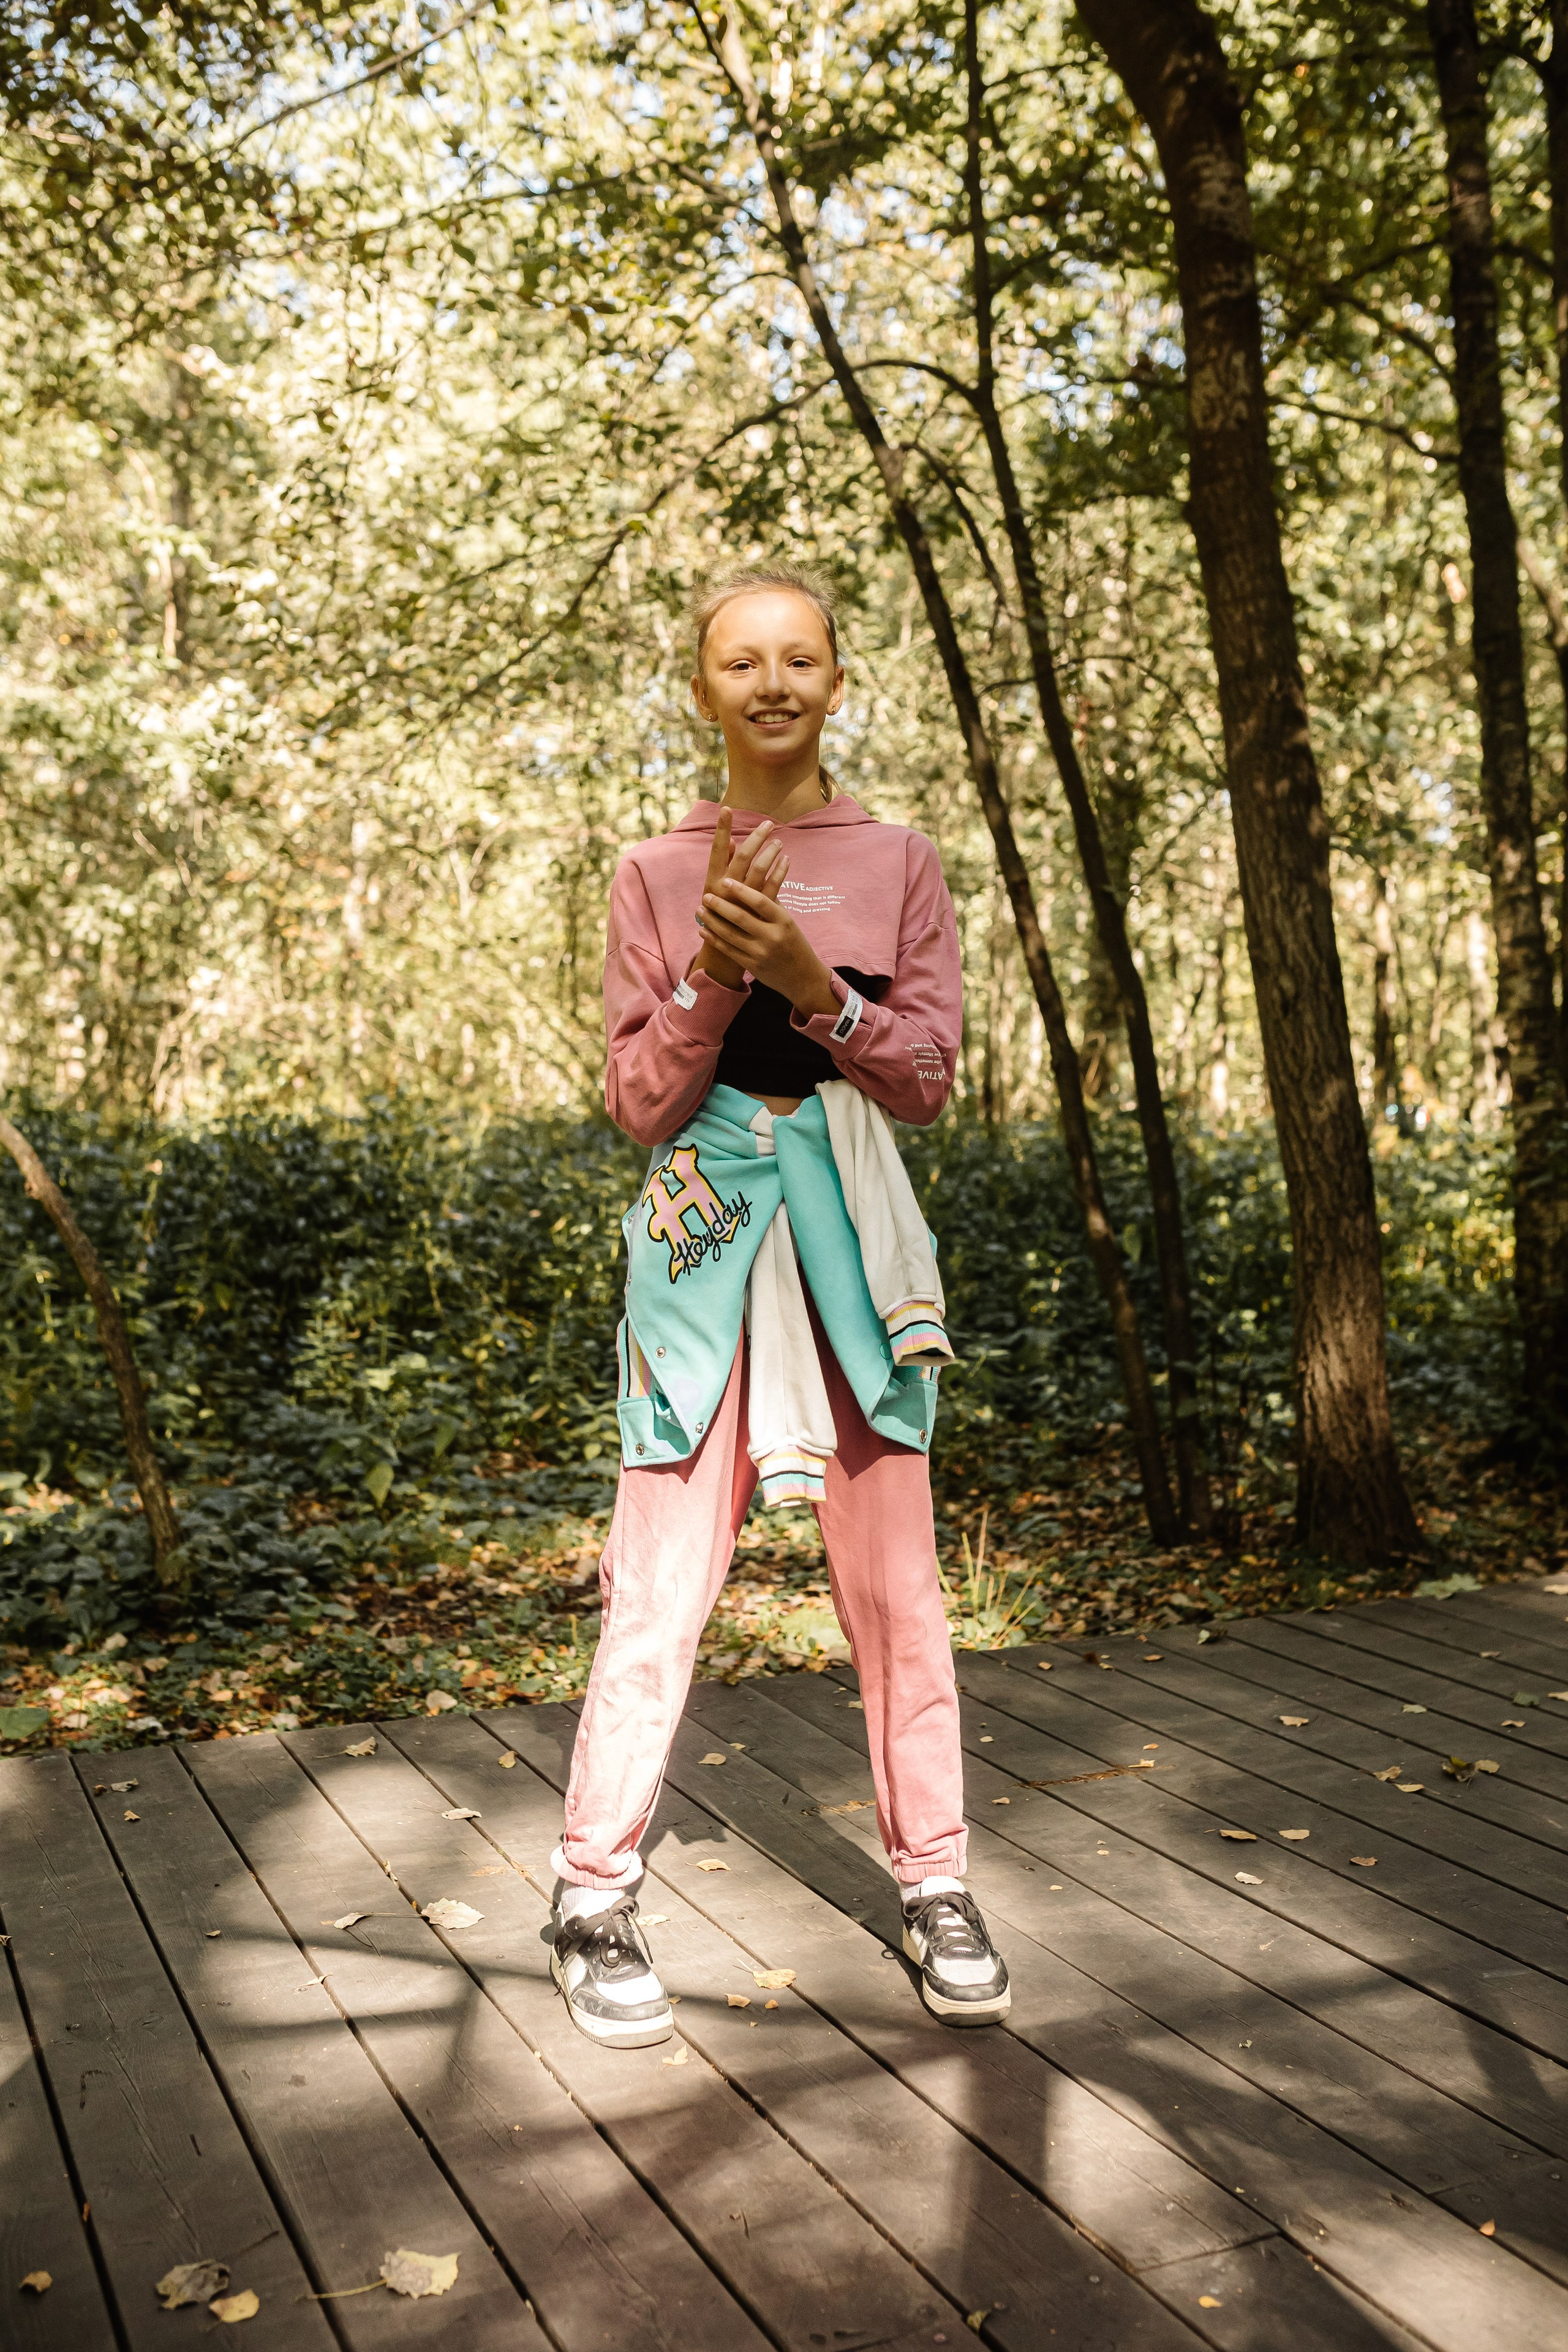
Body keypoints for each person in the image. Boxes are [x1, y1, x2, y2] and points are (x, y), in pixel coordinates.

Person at [548, 560, 1010, 2045]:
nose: (769, 684)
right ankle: (591, 1890)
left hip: (851, 1238)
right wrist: (702, 984)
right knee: (659, 1581)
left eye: (797, 658)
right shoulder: (649, 868)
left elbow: (928, 1079)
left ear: (834, 678)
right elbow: (634, 1100)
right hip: (698, 1239)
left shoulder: (896, 858)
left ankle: (933, 1880)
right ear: (702, 688)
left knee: (896, 1589)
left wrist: (816, 982)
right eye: (739, 661)